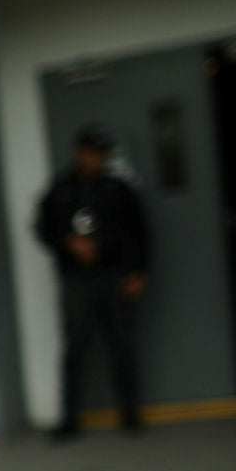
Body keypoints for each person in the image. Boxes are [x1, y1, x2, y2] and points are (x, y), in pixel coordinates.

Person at [34, 123, 152, 438]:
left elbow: (139, 233)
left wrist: (138, 272)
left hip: (113, 275)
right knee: (75, 348)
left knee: (121, 344)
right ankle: (69, 419)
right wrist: (69, 243)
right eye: (92, 153)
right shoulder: (60, 189)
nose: (97, 159)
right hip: (76, 279)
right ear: (80, 154)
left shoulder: (118, 189)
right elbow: (43, 228)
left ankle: (130, 414)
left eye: (102, 154)